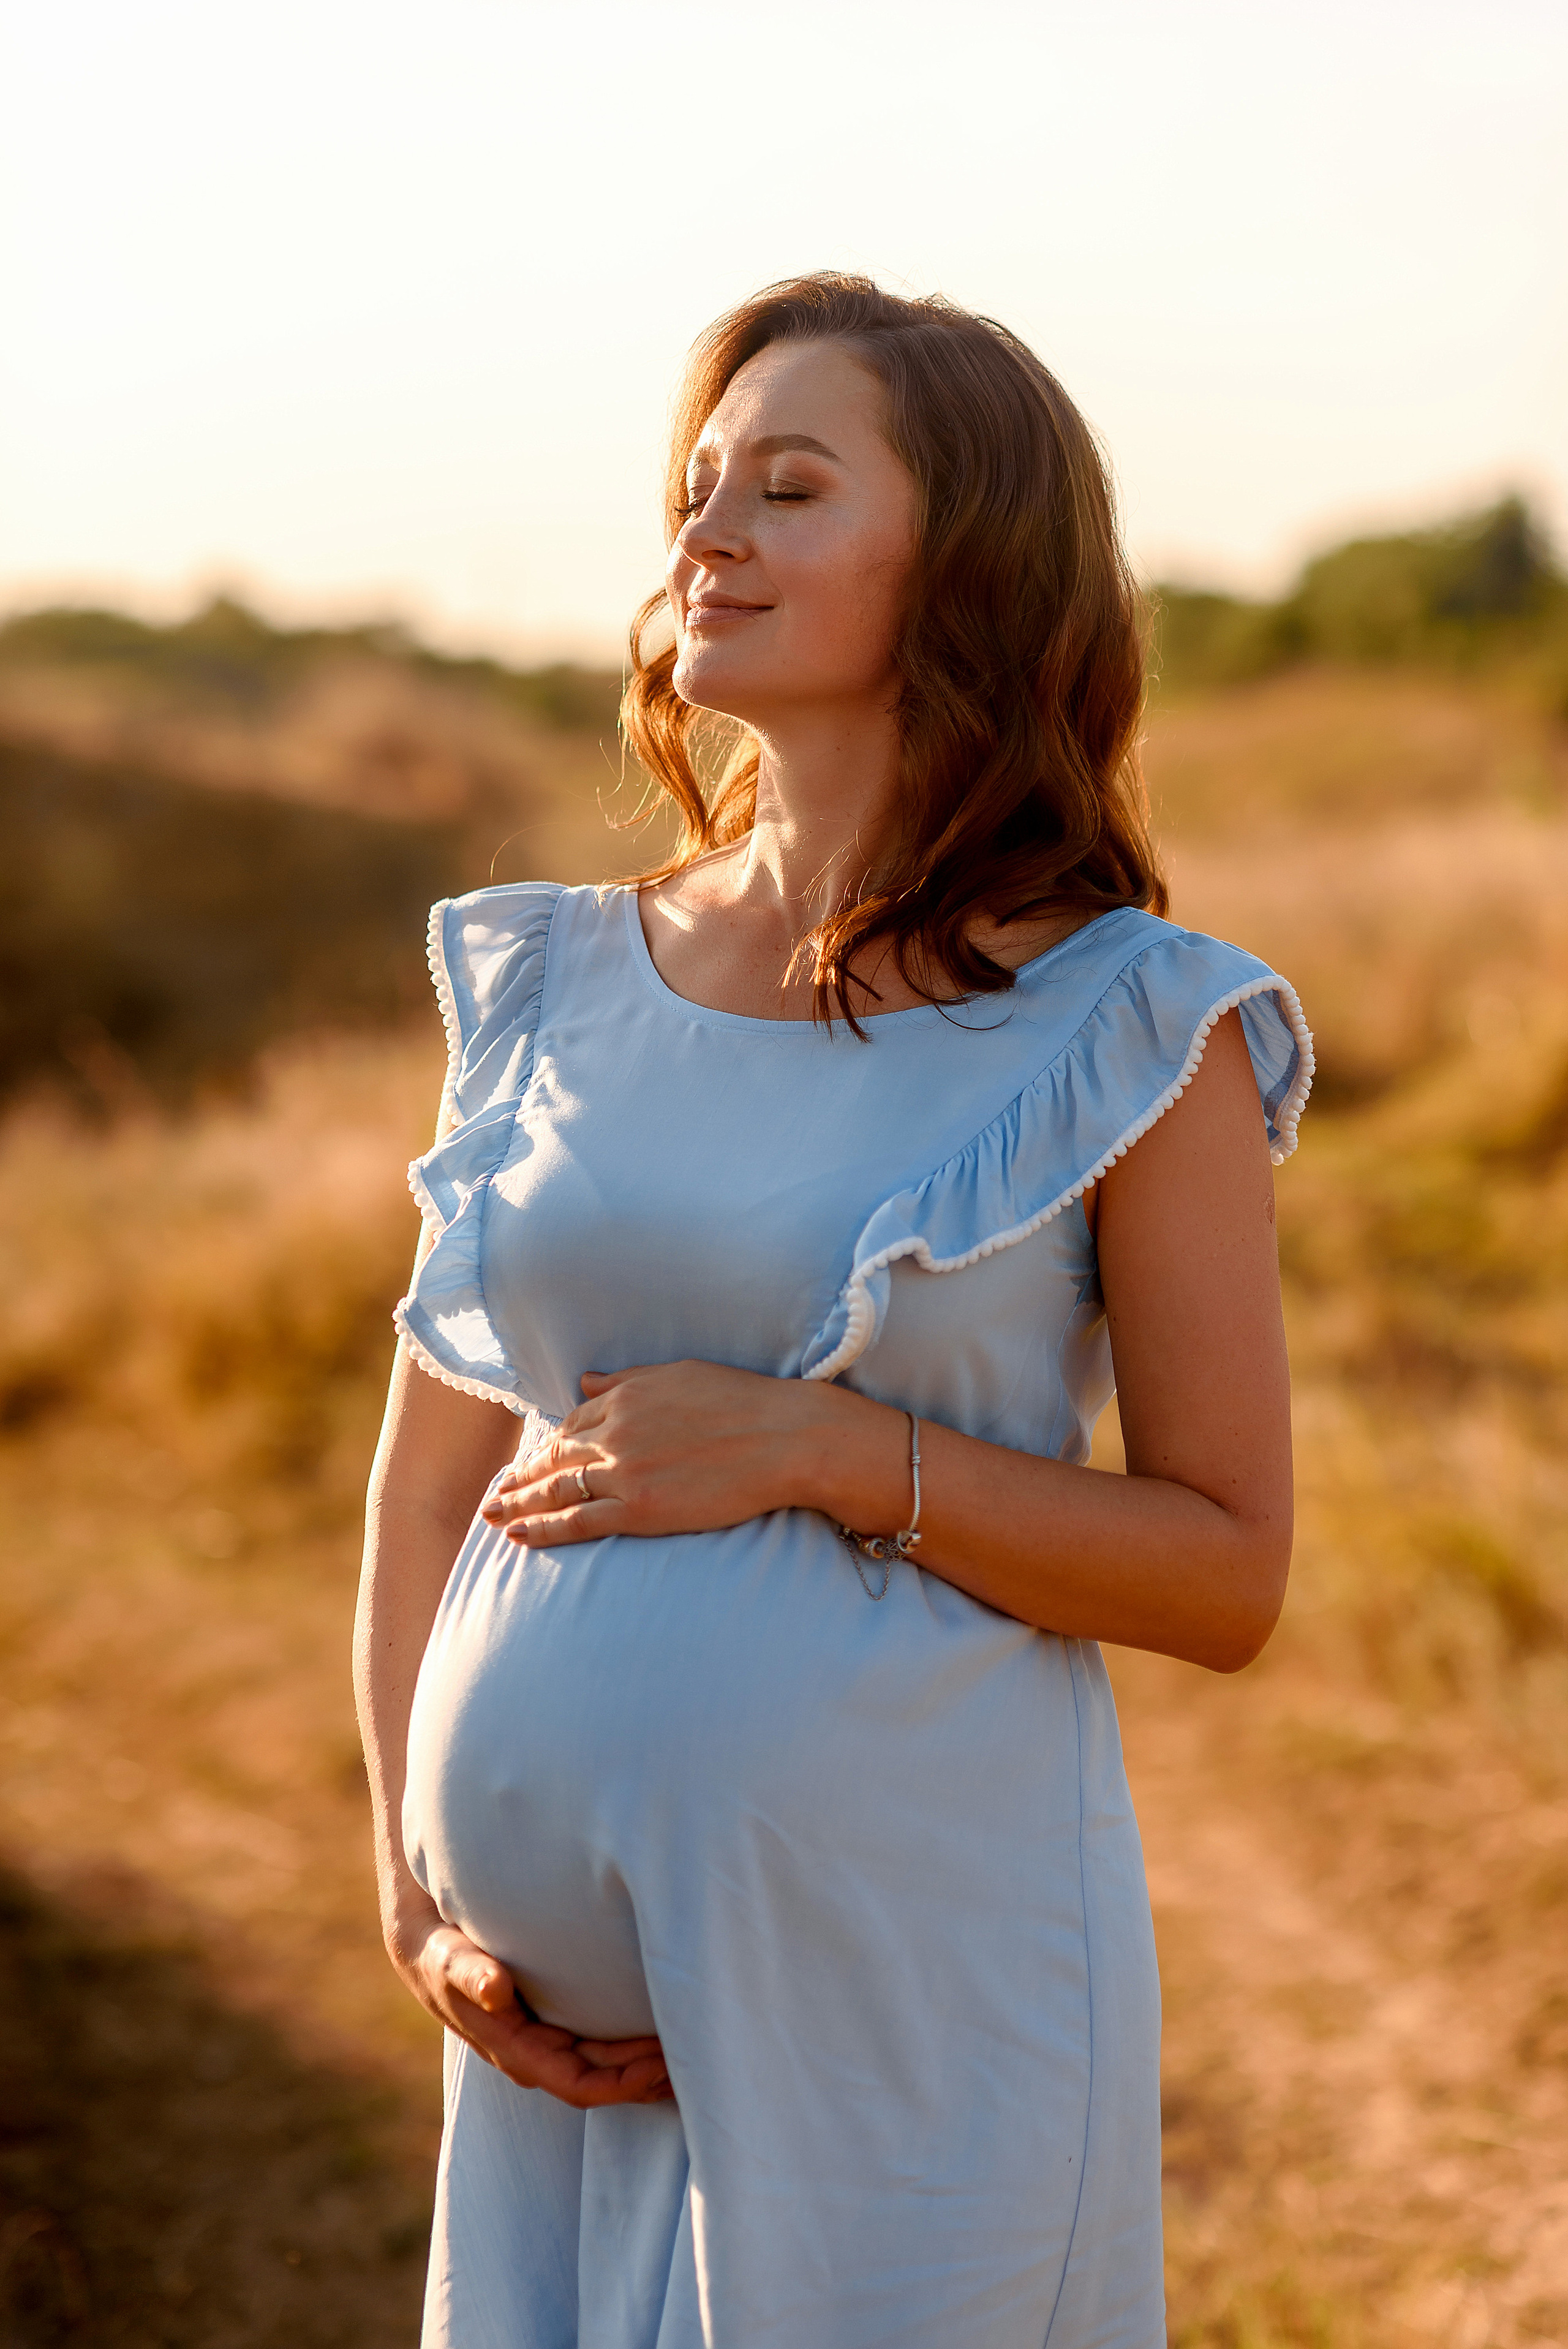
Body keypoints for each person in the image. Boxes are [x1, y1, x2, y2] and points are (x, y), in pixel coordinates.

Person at [353, 273, 1312, 2349]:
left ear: (966, 567)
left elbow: (1229, 1567)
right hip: (546, 2071)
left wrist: (824, 1449)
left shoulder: (1135, 1026)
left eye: (788, 490)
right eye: (698, 490)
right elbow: (434, 1474)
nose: (706, 536)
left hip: (911, 2021)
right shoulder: (549, 982)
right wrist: (416, 1889)